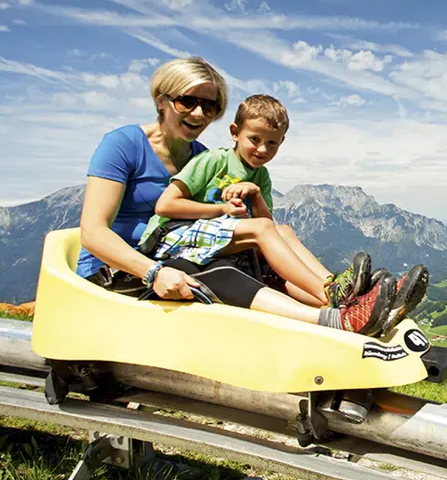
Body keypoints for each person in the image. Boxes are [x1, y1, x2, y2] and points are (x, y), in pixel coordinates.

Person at [76, 56, 410, 334]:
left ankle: (348, 302)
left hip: (181, 255)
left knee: (268, 254)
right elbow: (93, 232)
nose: (199, 113)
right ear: (161, 101)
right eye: (187, 101)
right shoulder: (124, 145)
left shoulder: (201, 155)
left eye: (210, 105)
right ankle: (338, 313)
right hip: (122, 269)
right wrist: (153, 272)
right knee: (227, 270)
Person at [140, 94, 427, 335]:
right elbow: (165, 206)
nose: (262, 149)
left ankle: (342, 291)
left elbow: (268, 224)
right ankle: (333, 295)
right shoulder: (214, 160)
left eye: (272, 143)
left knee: (284, 231)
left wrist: (255, 193)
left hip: (211, 239)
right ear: (235, 132)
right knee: (264, 231)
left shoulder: (260, 175)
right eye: (254, 139)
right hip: (172, 237)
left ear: (282, 142)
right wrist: (221, 209)